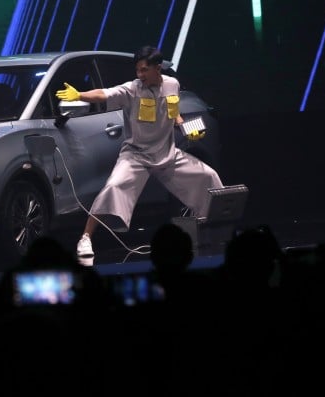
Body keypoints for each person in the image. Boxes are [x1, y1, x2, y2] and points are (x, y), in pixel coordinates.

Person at [56, 45, 223, 265]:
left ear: (157, 68)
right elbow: (104, 93)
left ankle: (214, 230)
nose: (140, 75)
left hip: (167, 154)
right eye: (138, 70)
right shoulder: (132, 89)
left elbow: (174, 115)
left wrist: (187, 129)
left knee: (209, 178)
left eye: (144, 70)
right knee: (113, 188)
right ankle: (85, 237)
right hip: (136, 156)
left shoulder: (172, 84)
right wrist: (80, 95)